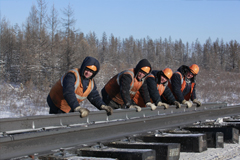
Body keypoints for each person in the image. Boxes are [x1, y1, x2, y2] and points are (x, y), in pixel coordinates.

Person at [47, 56, 113, 117]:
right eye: (87, 69)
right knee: (58, 125)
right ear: (83, 67)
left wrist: (103, 106)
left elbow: (94, 97)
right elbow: (68, 92)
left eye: (91, 71)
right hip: (56, 103)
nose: (88, 73)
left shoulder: (91, 82)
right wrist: (77, 107)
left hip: (69, 105)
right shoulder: (72, 75)